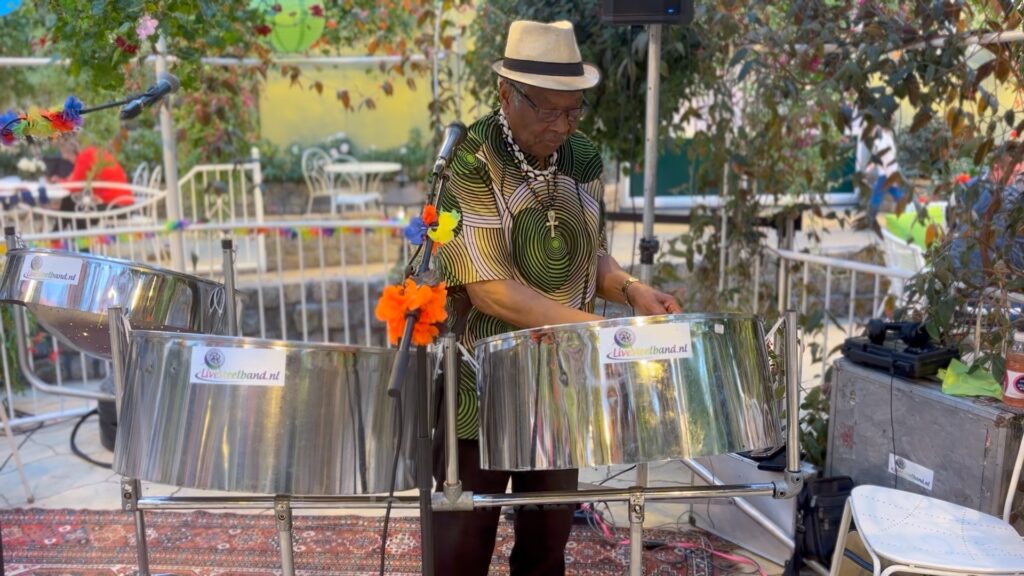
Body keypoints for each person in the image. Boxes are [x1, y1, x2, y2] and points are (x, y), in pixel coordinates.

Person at [432, 19, 680, 576]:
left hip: (560, 386)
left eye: (573, 111)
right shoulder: (472, 160)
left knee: (546, 547)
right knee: (461, 548)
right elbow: (491, 291)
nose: (563, 125)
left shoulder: (582, 157)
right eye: (548, 110)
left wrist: (632, 291)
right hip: (480, 388)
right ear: (506, 94)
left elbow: (592, 257)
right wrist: (596, 329)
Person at [58, 138, 133, 210]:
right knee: (71, 202)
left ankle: (59, 219)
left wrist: (59, 182)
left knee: (69, 202)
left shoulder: (85, 156)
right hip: (124, 204)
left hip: (114, 208)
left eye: (68, 157)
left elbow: (74, 187)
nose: (69, 161)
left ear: (72, 152)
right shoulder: (95, 152)